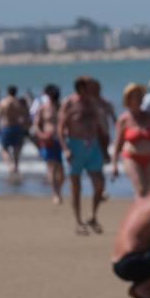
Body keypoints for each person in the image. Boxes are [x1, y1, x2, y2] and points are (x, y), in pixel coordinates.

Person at [57, 76, 107, 235]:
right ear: (81, 88)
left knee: (99, 183)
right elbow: (61, 127)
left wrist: (105, 149)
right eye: (90, 87)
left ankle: (93, 216)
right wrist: (65, 148)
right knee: (76, 186)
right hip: (75, 145)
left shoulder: (94, 103)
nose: (94, 91)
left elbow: (101, 128)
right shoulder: (69, 103)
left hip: (93, 145)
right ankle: (78, 221)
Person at [112, 83, 150, 197]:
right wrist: (114, 165)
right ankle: (140, 213)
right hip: (132, 158)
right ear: (128, 99)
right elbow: (117, 144)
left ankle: (146, 213)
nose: (138, 99)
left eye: (140, 96)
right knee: (140, 189)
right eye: (135, 96)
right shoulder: (124, 119)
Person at [32, 84, 65, 204]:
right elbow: (36, 124)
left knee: (61, 170)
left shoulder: (62, 107)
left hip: (61, 141)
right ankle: (55, 194)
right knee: (51, 167)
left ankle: (58, 190)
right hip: (48, 140)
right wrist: (41, 135)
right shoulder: (43, 108)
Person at [0, 85, 29, 179]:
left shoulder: (3, 102)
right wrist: (25, 126)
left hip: (7, 127)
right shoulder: (19, 103)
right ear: (16, 92)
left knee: (4, 148)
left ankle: (10, 166)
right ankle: (16, 167)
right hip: (18, 127)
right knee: (17, 148)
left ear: (8, 92)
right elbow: (26, 115)